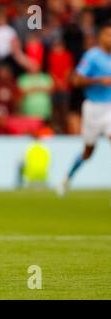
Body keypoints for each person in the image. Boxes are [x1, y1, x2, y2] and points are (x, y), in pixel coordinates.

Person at [57, 21, 111, 196]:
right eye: (108, 34)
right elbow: (76, 80)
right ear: (101, 37)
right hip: (93, 108)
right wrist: (98, 80)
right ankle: (68, 177)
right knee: (88, 152)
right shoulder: (92, 56)